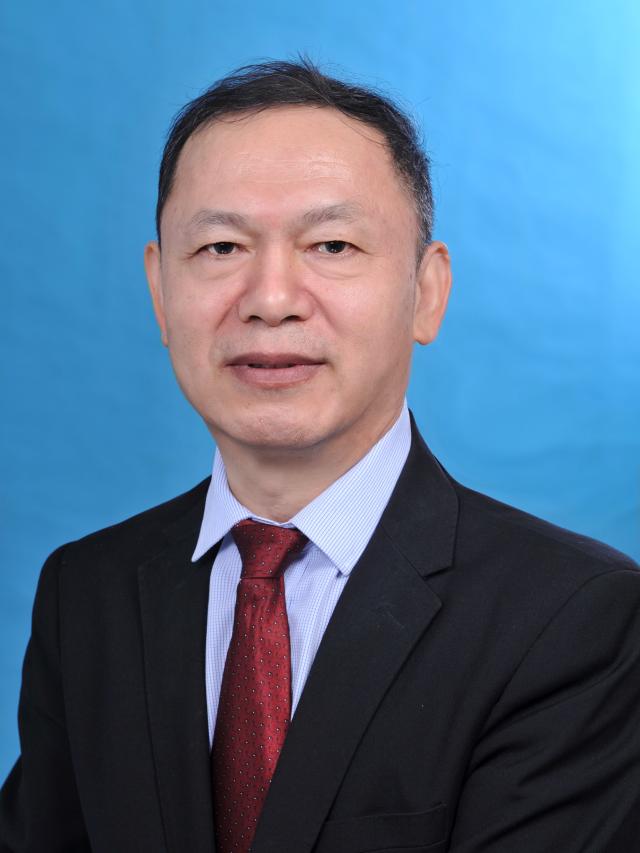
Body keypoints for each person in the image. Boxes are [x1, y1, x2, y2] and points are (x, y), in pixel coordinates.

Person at [1, 58, 639, 853]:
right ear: (160, 292)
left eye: (332, 244)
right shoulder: (86, 593)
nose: (271, 299)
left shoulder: (574, 619)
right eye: (222, 246)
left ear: (427, 291)